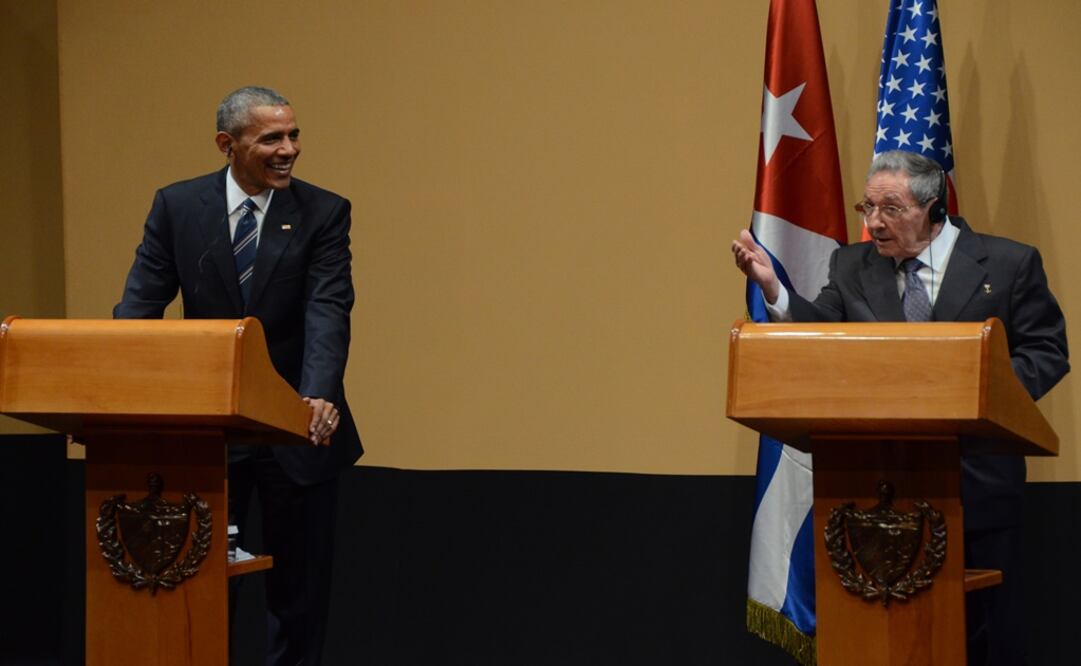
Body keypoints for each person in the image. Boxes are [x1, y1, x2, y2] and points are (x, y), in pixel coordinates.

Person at [732, 149, 1068, 666]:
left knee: (986, 638)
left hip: (977, 489)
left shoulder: (1007, 263)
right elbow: (824, 334)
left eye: (890, 208)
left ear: (934, 209)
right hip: (873, 495)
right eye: (867, 207)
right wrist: (774, 288)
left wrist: (986, 391)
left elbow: (1047, 350)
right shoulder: (850, 265)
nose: (874, 223)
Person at [114, 86, 362, 665]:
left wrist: (318, 394)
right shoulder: (178, 207)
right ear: (228, 144)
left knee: (298, 596)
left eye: (294, 135)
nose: (289, 149)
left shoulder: (324, 212)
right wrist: (122, 383)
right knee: (202, 587)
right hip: (207, 431)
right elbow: (139, 308)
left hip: (295, 427)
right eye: (271, 138)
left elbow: (328, 308)